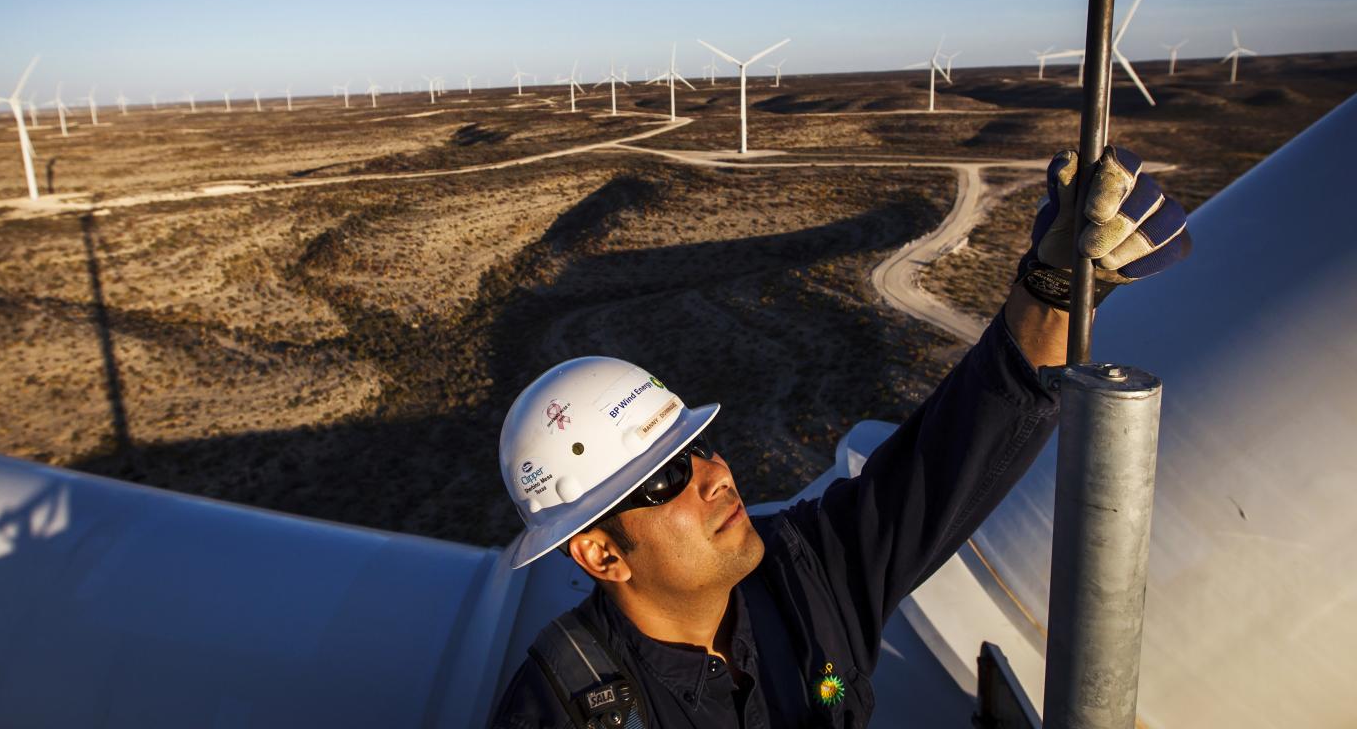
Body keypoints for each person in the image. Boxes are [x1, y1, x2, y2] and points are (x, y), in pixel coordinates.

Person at [490, 147, 1192, 728]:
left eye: (698, 447)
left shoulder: (808, 575)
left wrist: (1055, 286)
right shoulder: (558, 710)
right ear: (601, 552)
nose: (717, 473)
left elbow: (958, 447)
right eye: (667, 477)